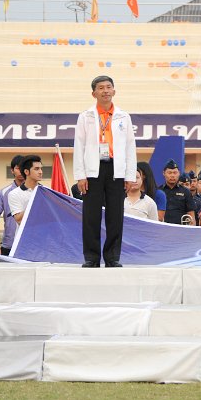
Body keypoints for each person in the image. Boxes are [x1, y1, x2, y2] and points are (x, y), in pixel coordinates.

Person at [73, 75, 137, 268]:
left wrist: (129, 175)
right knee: (91, 215)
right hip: (93, 169)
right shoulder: (85, 116)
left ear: (114, 91)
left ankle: (112, 257)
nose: (105, 91)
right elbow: (79, 146)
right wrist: (80, 175)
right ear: (94, 93)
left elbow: (130, 147)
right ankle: (91, 257)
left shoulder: (123, 116)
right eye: (101, 88)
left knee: (115, 215)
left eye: (109, 87)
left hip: (116, 169)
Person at [8, 155, 43, 226]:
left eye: (41, 169)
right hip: (26, 236)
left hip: (46, 235)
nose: (40, 172)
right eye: (36, 169)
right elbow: (19, 220)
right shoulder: (14, 194)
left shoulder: (47, 192)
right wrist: (34, 203)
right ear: (26, 172)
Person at [160, 159, 196, 225]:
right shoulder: (158, 191)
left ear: (179, 173)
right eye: (169, 173)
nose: (172, 175)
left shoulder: (186, 192)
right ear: (164, 173)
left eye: (175, 173)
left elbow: (191, 215)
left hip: (181, 230)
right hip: (162, 229)